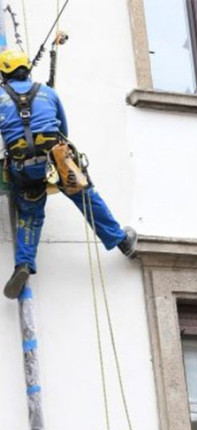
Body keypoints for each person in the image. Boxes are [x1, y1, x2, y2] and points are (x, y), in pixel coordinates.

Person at [0, 48, 136, 300]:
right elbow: (63, 128)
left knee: (29, 216)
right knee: (87, 198)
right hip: (57, 160)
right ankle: (121, 241)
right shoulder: (48, 93)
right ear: (27, 70)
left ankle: (23, 265)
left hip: (22, 167)